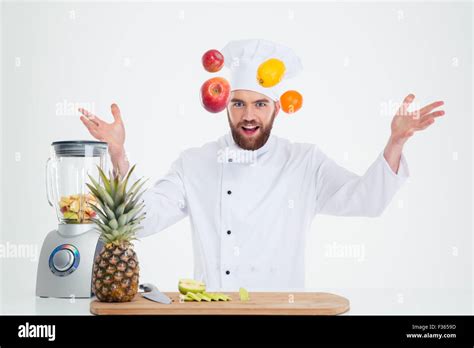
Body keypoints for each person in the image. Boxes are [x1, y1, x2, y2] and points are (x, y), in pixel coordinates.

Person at [79, 39, 445, 291]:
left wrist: (395, 141)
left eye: (259, 104)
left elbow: (367, 201)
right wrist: (118, 153)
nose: (248, 116)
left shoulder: (305, 162)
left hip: (285, 314)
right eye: (238, 104)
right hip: (215, 314)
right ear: (224, 105)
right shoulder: (195, 163)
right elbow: (142, 220)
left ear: (277, 107)